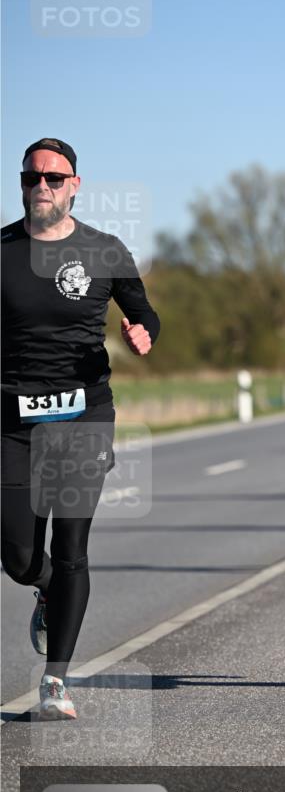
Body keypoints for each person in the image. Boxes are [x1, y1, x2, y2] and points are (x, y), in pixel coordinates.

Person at [1, 137, 160, 720]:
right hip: (13, 425)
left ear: (74, 184)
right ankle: (44, 588)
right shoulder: (3, 250)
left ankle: (55, 683)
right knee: (18, 555)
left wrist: (143, 333)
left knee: (72, 549)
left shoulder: (104, 250)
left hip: (83, 419)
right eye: (30, 177)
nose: (40, 186)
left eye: (52, 177)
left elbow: (145, 314)